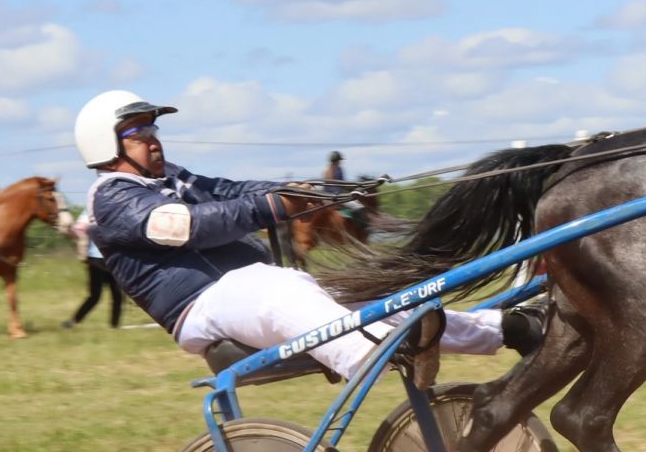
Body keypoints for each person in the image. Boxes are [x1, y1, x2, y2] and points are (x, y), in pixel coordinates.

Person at [72, 89, 544, 380]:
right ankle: (368, 359)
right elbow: (188, 227)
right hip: (201, 308)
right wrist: (272, 206)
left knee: (373, 298)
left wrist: (309, 192)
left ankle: (511, 328)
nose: (152, 137)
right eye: (137, 130)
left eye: (152, 126)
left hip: (245, 293)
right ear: (107, 145)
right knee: (280, 286)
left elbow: (231, 191)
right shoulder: (112, 198)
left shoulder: (172, 175)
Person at [62, 205, 123, 330]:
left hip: (111, 258)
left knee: (117, 295)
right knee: (96, 295)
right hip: (96, 259)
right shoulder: (91, 209)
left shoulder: (115, 208)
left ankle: (114, 326)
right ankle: (73, 321)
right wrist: (71, 230)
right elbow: (79, 228)